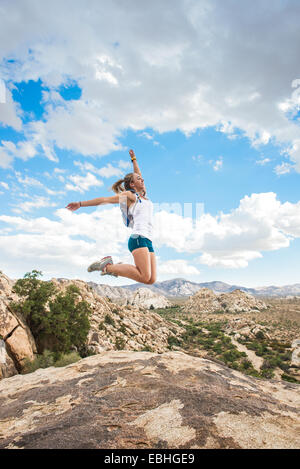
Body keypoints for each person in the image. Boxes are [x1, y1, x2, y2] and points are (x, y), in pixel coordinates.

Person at [66, 150, 156, 285]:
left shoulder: (143, 195)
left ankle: (115, 267)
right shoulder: (131, 196)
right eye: (139, 179)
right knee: (144, 276)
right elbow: (104, 199)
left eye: (141, 179)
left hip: (148, 240)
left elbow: (138, 175)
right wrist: (80, 204)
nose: (142, 180)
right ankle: (108, 266)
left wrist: (134, 159)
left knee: (151, 280)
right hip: (138, 238)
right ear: (132, 184)